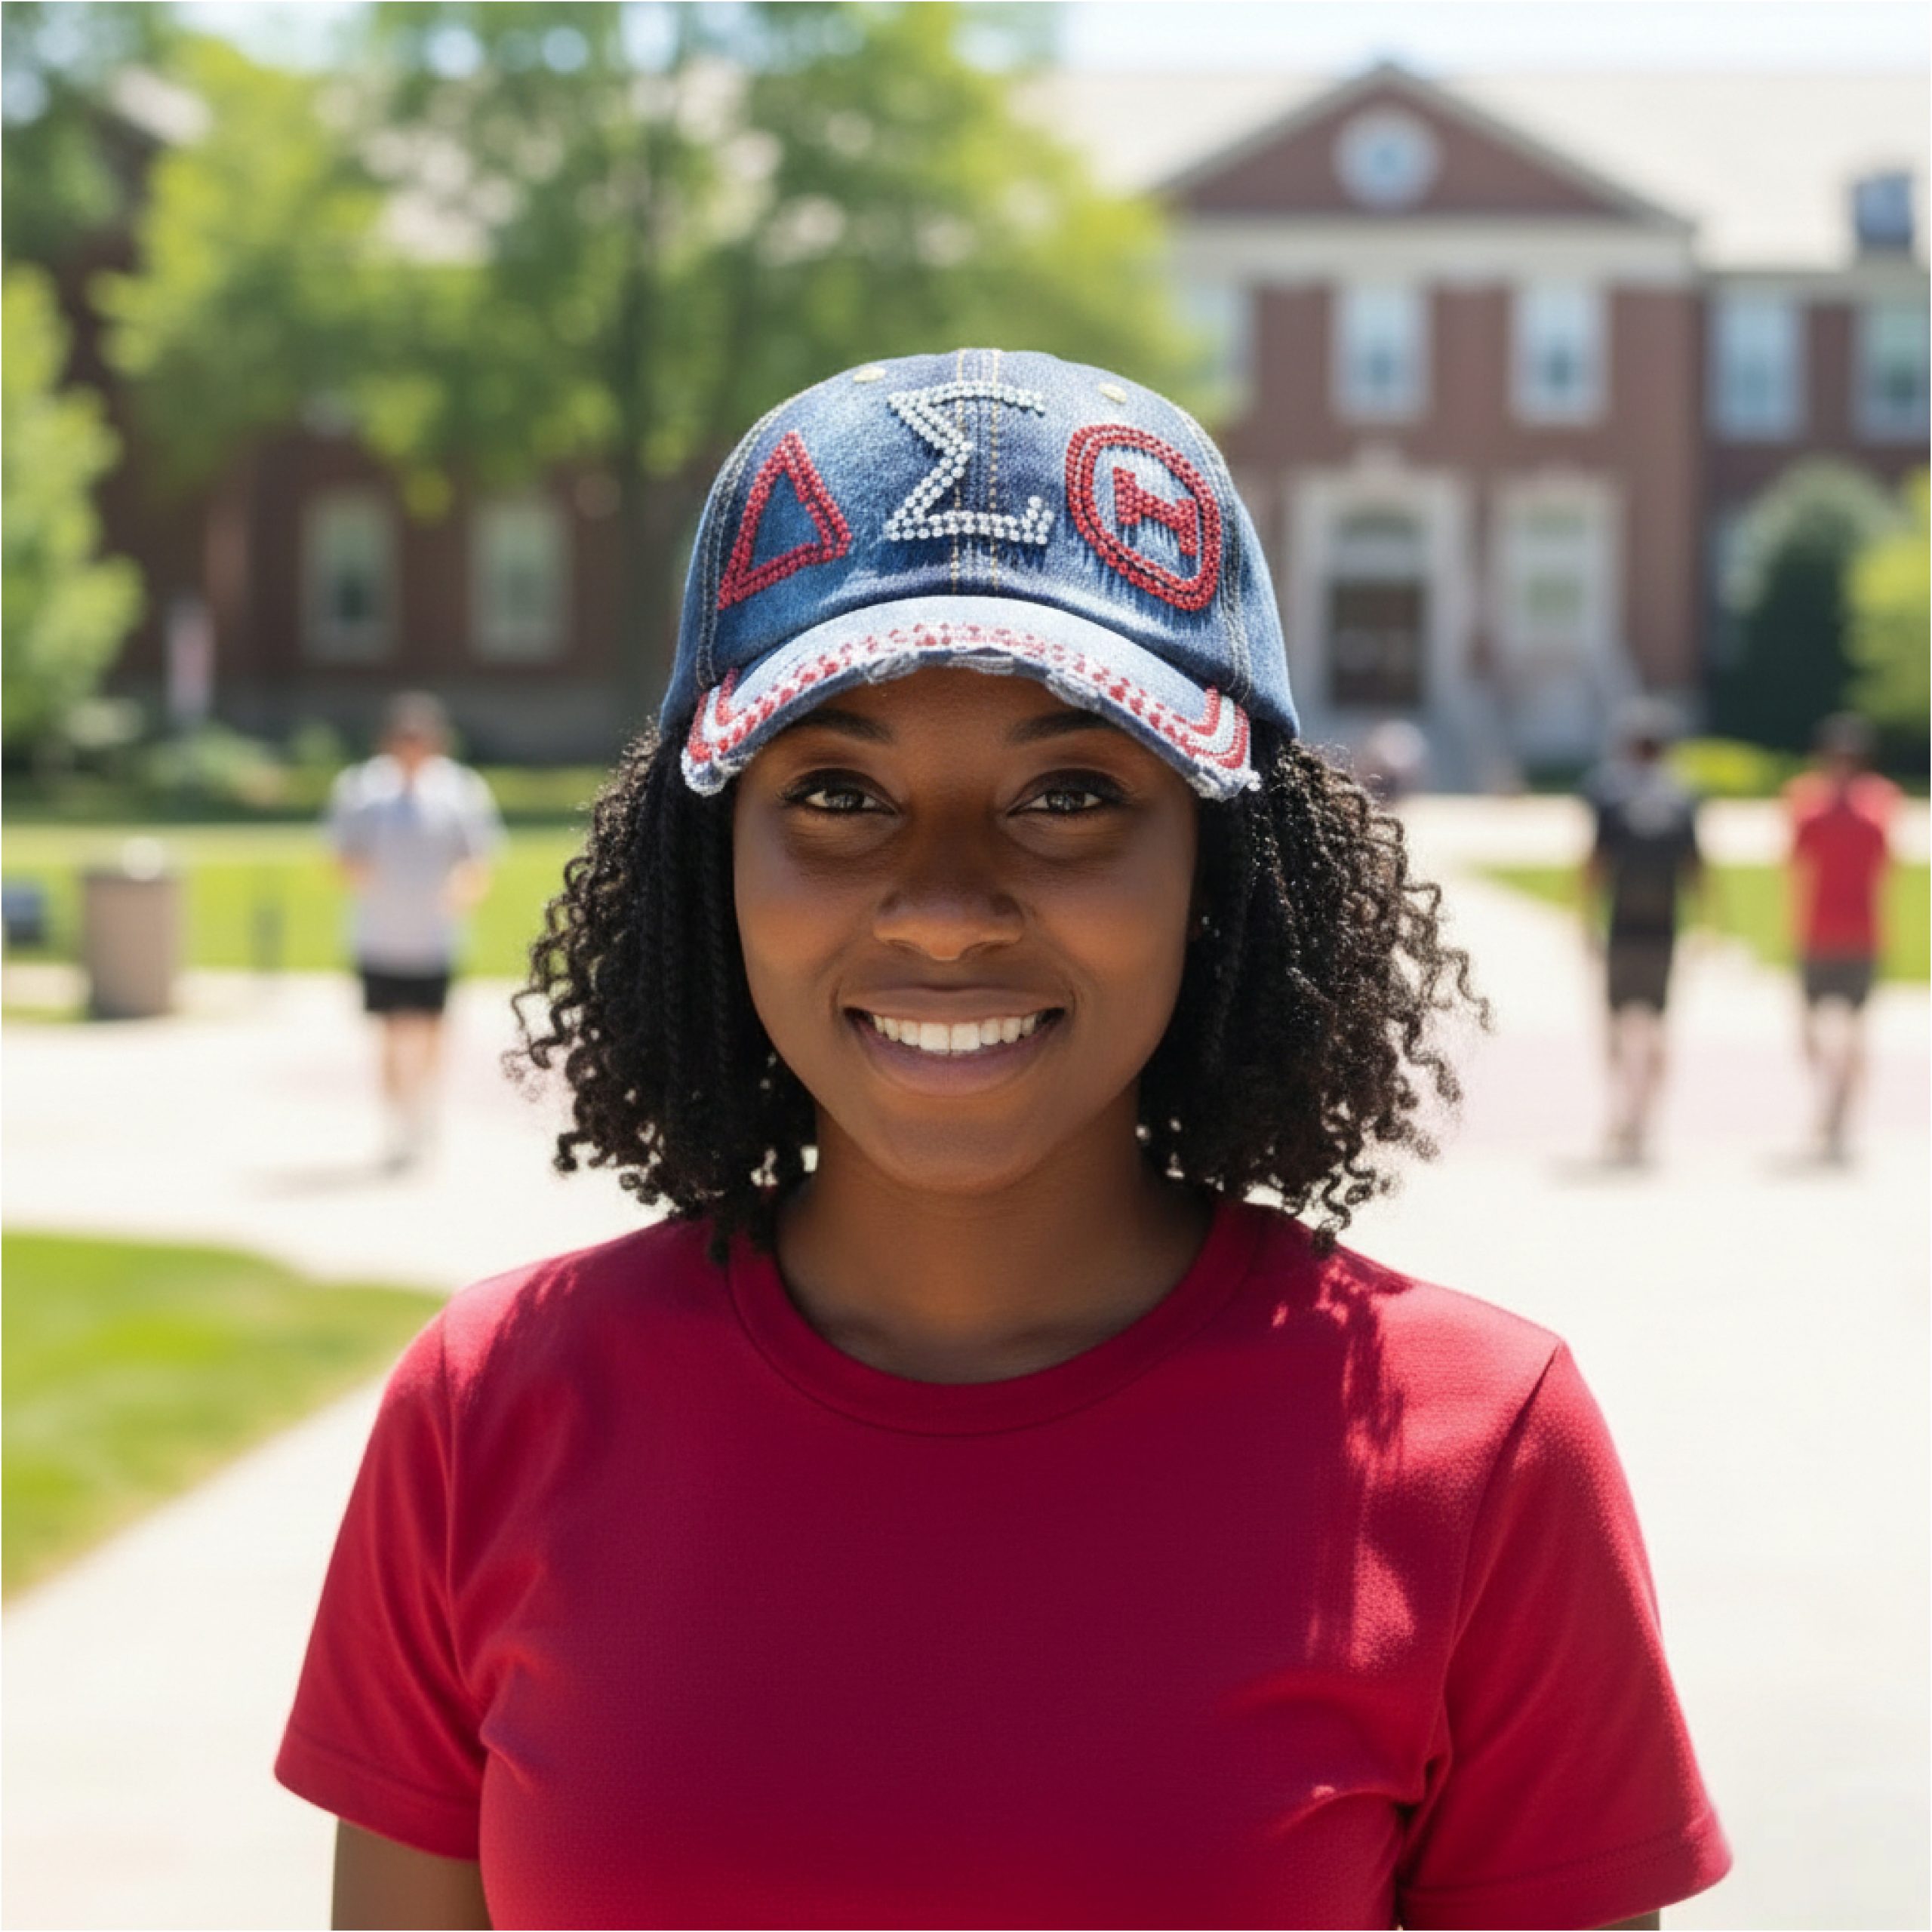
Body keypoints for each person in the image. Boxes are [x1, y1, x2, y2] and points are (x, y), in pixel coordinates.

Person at [279, 351, 1728, 1930]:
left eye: (1067, 793)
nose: (948, 903)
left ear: (1216, 862)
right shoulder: (490, 1407)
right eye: (837, 790)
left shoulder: (1473, 1451)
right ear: (716, 862)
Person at [325, 691, 503, 1171]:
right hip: (380, 935)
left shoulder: (460, 790)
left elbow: (477, 860)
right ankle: (396, 1120)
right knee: (389, 1030)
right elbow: (342, 855)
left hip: (434, 936)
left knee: (430, 1029)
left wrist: (458, 894)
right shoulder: (361, 789)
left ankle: (424, 1109)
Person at [1580, 701, 1708, 1165]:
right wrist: (1708, 927)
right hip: (1664, 929)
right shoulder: (1683, 797)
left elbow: (1596, 865)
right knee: (1657, 1026)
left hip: (1624, 927)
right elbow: (1697, 868)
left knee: (1615, 1025)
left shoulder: (1610, 796)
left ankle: (1620, 1107)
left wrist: (1581, 921)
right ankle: (1645, 1117)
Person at [1785, 712, 1899, 1161]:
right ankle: (1830, 1097)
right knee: (1813, 1029)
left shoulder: (1877, 801)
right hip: (1820, 929)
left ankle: (1842, 1110)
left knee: (1853, 1030)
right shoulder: (1807, 801)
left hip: (1858, 931)